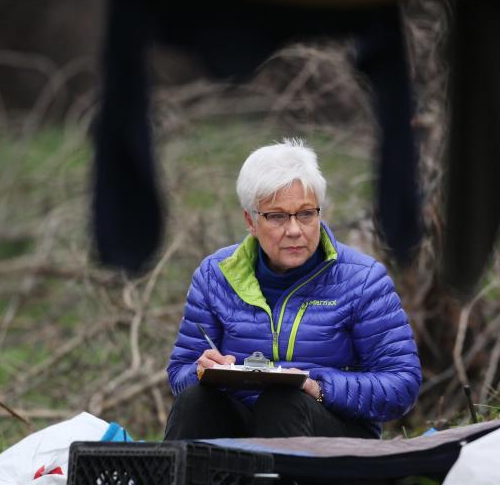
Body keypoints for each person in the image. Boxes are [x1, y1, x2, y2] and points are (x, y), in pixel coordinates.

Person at [165, 138, 421, 440]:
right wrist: (202, 371)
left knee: (282, 402)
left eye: (306, 213)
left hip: (333, 433)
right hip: (244, 424)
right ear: (251, 220)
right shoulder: (215, 274)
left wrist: (319, 386)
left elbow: (402, 384)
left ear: (319, 213)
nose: (295, 230)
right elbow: (179, 372)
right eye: (277, 216)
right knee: (195, 401)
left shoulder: (363, 279)